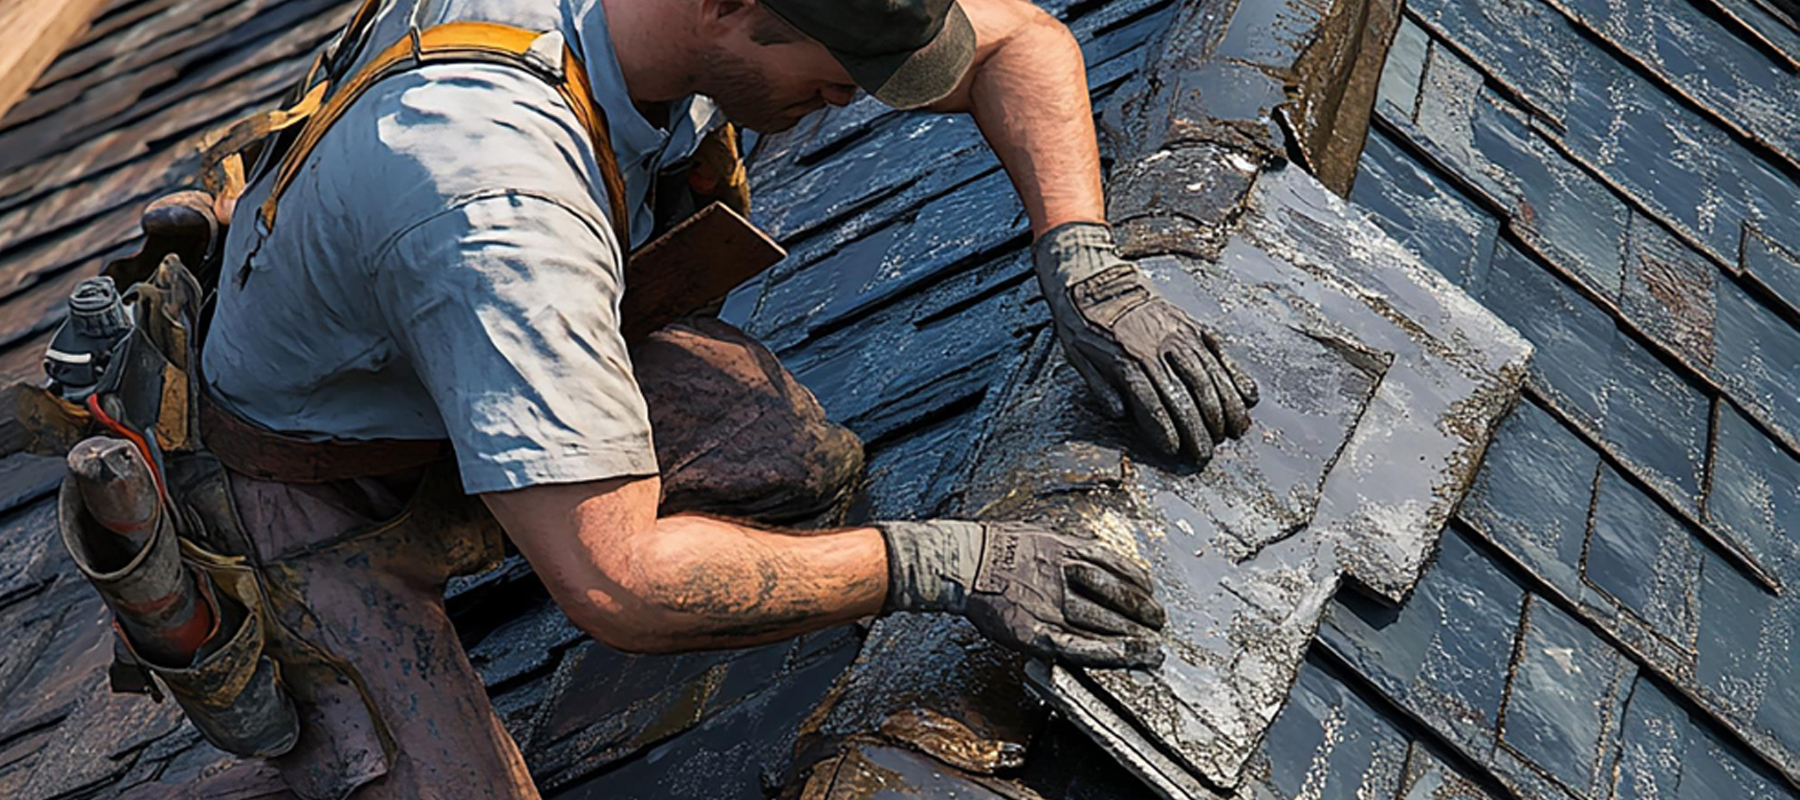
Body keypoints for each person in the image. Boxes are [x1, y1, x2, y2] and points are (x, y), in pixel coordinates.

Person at [188, 0, 1257, 794]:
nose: (854, 99)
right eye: (837, 76)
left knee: (792, 465)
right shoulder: (496, 202)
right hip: (321, 480)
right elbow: (617, 585)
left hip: (460, 330)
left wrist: (1085, 262)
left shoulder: (671, 20)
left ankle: (535, 473)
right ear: (729, 11)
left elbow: (1021, 41)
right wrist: (944, 562)